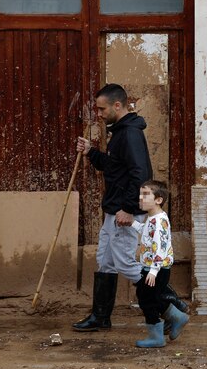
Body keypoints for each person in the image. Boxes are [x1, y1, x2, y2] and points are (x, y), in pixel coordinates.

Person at [72, 83, 187, 331]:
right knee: (105, 261)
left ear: (117, 105)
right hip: (113, 211)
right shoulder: (120, 132)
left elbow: (140, 174)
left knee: (125, 263)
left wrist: (126, 207)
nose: (99, 114)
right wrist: (91, 152)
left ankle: (169, 305)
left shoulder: (130, 134)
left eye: (102, 109)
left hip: (123, 212)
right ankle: (101, 317)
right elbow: (113, 168)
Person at [131, 180, 189, 348]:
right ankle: (177, 317)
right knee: (149, 297)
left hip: (156, 269)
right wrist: (133, 224)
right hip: (151, 267)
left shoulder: (159, 222)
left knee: (147, 300)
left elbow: (161, 247)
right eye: (140, 195)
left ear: (159, 200)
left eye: (146, 195)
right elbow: (146, 233)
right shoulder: (153, 218)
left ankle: (157, 336)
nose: (140, 198)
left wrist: (153, 271)